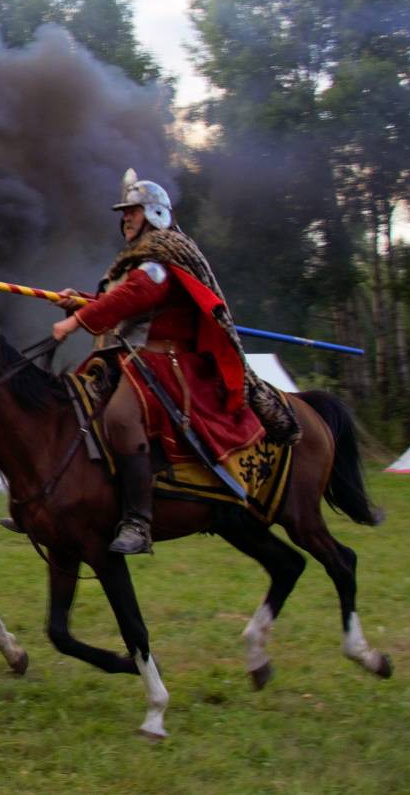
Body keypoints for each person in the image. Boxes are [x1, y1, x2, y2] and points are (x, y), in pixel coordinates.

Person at [51, 169, 291, 555]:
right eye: (124, 211)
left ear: (153, 213)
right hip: (128, 357)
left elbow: (138, 294)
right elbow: (121, 297)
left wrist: (78, 320)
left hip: (164, 361)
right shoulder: (138, 259)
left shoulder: (162, 256)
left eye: (132, 210)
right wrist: (79, 300)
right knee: (73, 405)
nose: (125, 217)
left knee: (120, 418)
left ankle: (138, 521)